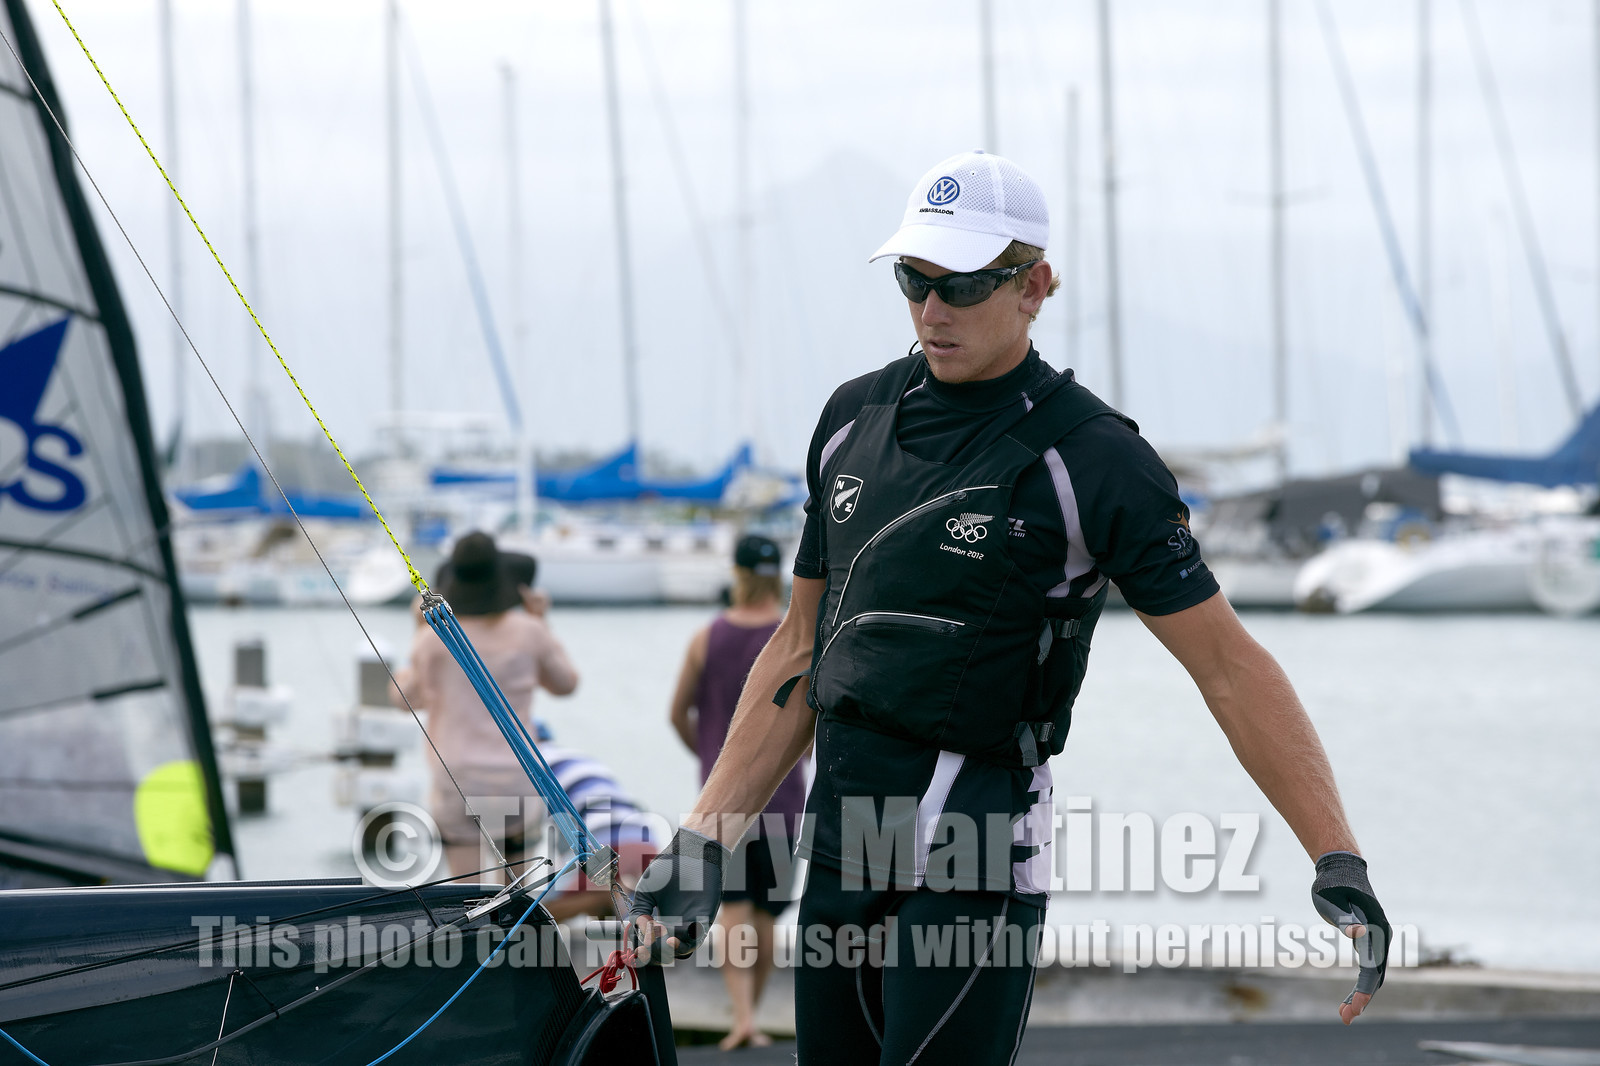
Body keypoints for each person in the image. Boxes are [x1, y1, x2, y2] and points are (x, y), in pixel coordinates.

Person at [627, 151, 1391, 1064]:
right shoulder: (849, 421)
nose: (931, 309)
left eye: (963, 284)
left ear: (1035, 285)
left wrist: (1336, 856)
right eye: (913, 279)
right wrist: (705, 842)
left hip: (976, 855)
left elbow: (1228, 667)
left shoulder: (1095, 460)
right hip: (842, 842)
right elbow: (800, 648)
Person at [667, 533, 807, 1050]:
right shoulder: (795, 636)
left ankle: (742, 1016)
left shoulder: (708, 638)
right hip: (786, 796)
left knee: (735, 908)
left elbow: (677, 712)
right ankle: (756, 1013)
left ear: (737, 573)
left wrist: (709, 756)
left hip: (724, 799)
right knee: (769, 909)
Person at [392, 531, 580, 886]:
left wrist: (417, 634)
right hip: (517, 775)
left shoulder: (435, 637)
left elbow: (403, 699)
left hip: (457, 778)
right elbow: (566, 684)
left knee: (466, 896)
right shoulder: (529, 632)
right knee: (521, 893)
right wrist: (542, 622)